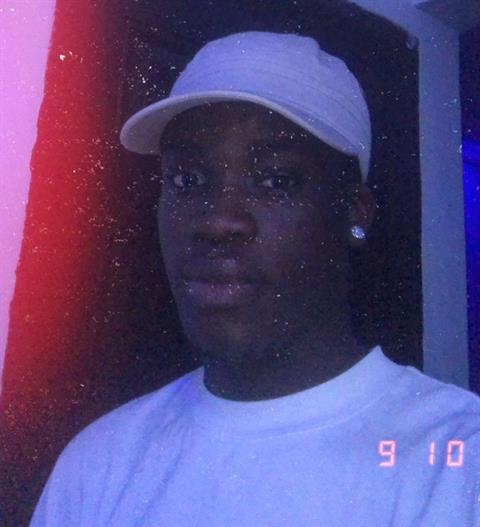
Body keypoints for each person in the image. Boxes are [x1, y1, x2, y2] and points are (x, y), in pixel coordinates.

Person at [30, 31, 479, 526]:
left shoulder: (456, 459)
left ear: (355, 212)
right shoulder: (99, 462)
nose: (218, 222)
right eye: (186, 181)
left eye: (275, 181)